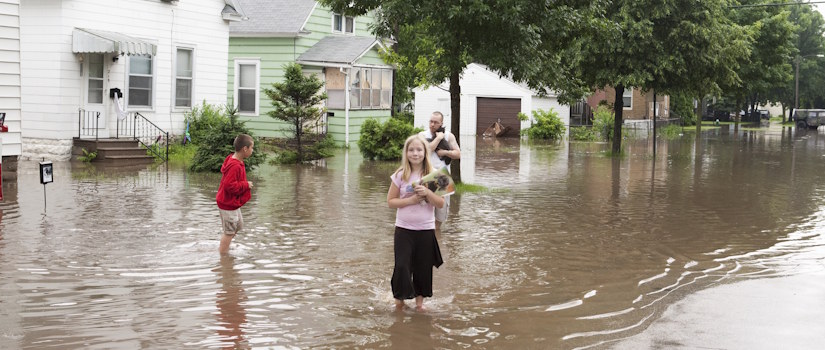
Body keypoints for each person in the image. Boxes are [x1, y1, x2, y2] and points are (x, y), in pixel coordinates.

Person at [387, 135, 445, 311]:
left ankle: (420, 304)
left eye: (419, 150)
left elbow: (440, 204)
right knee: (402, 266)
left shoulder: (436, 174)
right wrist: (410, 200)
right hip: (403, 229)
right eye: (411, 150)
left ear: (425, 152)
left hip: (426, 230)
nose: (415, 153)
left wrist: (427, 193)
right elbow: (390, 202)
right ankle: (400, 301)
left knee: (423, 267)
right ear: (406, 153)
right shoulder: (400, 174)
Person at [419, 111, 460, 234]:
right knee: (424, 208)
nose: (432, 124)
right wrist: (438, 138)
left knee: (441, 212)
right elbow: (427, 150)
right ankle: (427, 235)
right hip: (426, 175)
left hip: (442, 177)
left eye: (436, 122)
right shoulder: (422, 135)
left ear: (441, 123)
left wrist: (445, 152)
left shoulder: (449, 136)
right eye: (431, 121)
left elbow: (458, 154)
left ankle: (437, 236)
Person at [216, 134, 254, 255]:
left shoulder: (236, 160)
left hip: (232, 202)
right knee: (229, 232)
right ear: (245, 149)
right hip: (227, 203)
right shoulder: (235, 165)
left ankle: (226, 246)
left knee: (238, 226)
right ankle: (223, 257)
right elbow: (229, 186)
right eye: (252, 148)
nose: (252, 150)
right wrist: (245, 185)